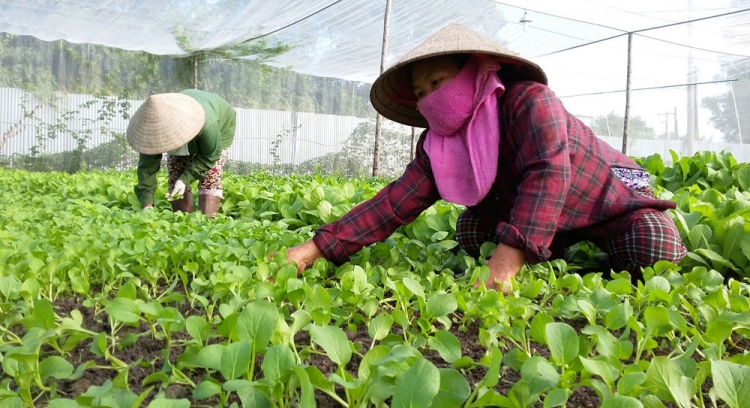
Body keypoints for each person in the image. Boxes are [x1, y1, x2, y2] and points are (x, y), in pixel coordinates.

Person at [283, 23, 687, 293]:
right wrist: (315, 248)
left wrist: (506, 265)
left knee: (653, 244)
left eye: (438, 82)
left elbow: (549, 174)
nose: (430, 98)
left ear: (475, 73)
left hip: (601, 205)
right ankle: (552, 248)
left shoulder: (531, 101)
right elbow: (395, 202)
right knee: (473, 232)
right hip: (549, 224)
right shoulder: (438, 144)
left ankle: (559, 249)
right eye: (421, 92)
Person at [127, 89, 236, 218]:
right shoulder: (151, 131)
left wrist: (185, 179)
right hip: (189, 120)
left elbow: (209, 156)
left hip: (220, 125)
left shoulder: (208, 123)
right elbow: (147, 169)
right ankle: (181, 220)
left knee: (210, 175)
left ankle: (208, 221)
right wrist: (147, 205)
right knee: (176, 170)